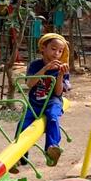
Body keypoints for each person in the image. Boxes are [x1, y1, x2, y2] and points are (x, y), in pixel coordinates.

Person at [19, 33, 70, 167]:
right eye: (53, 49)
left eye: (60, 51)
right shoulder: (35, 65)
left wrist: (60, 75)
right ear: (43, 48)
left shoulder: (62, 68)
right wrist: (46, 68)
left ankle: (52, 148)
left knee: (53, 117)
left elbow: (58, 93)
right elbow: (30, 84)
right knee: (22, 124)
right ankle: (21, 156)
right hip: (35, 102)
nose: (56, 53)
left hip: (53, 101)